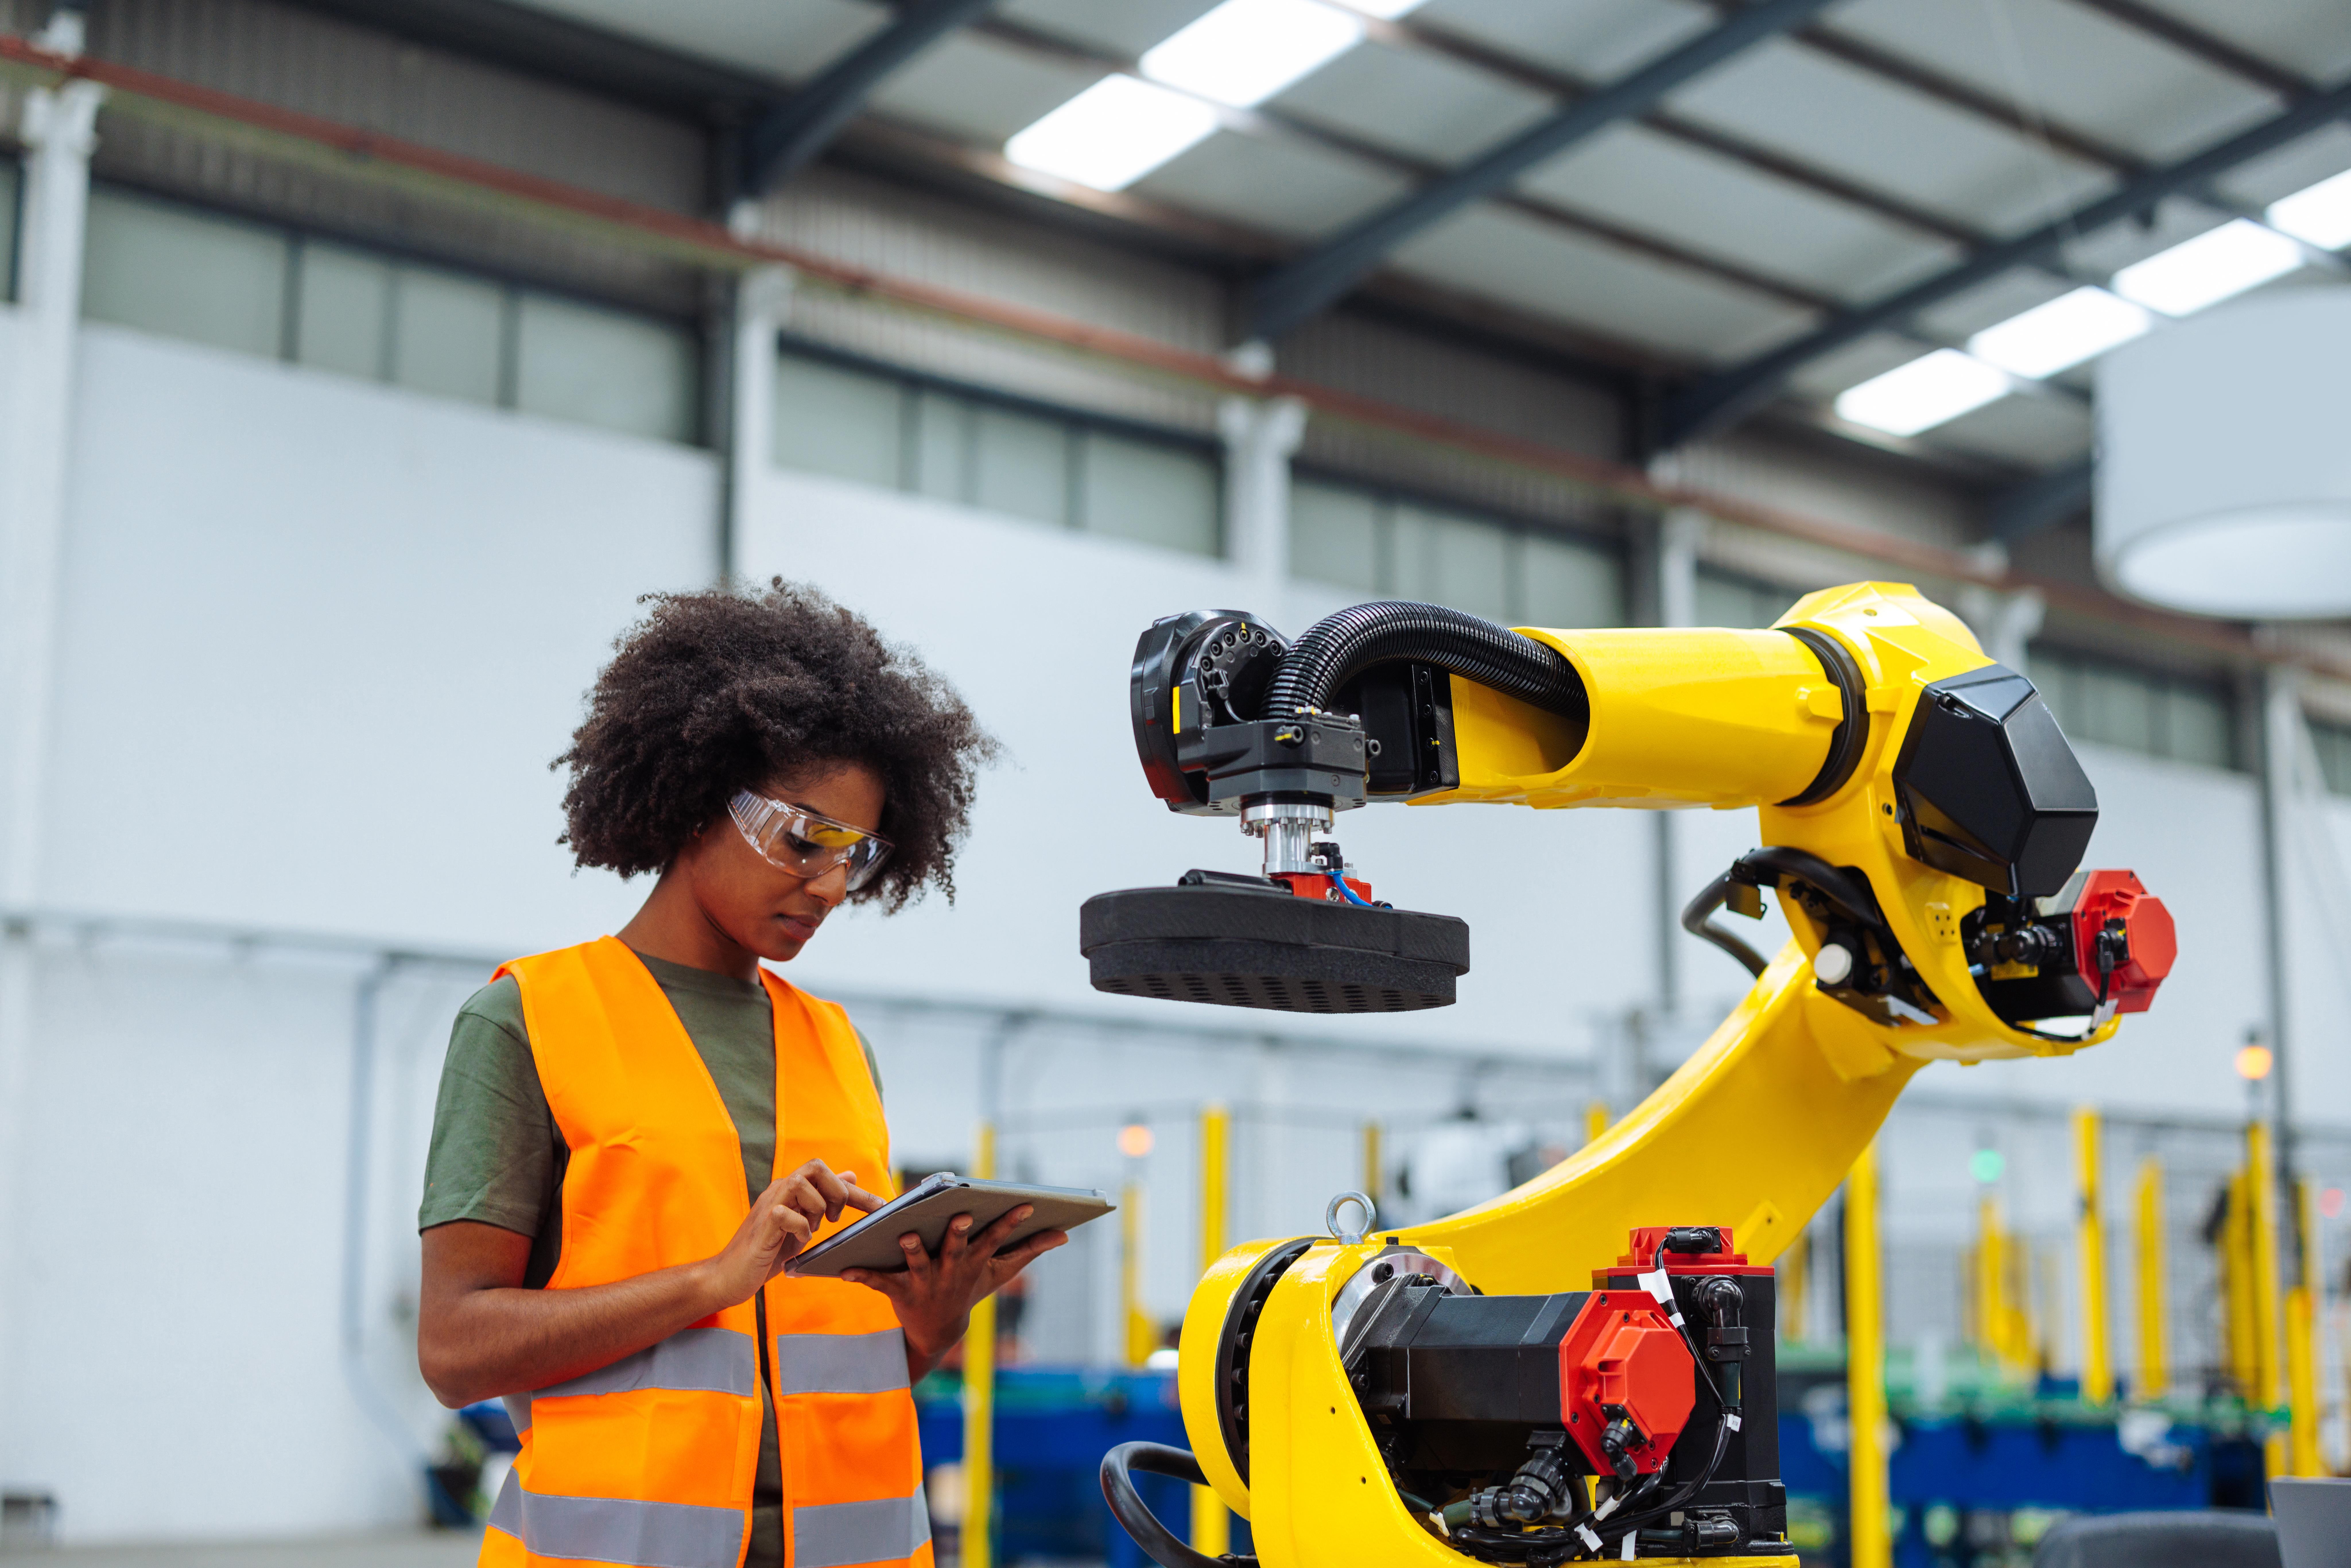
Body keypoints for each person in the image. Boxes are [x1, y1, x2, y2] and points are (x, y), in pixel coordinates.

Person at [416, 581, 1061, 1568]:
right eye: (805, 840)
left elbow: (830, 1369)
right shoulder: (530, 1021)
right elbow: (455, 1352)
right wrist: (713, 1280)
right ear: (691, 804)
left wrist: (930, 1325)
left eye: (860, 855)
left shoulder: (842, 1049)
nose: (833, 885)